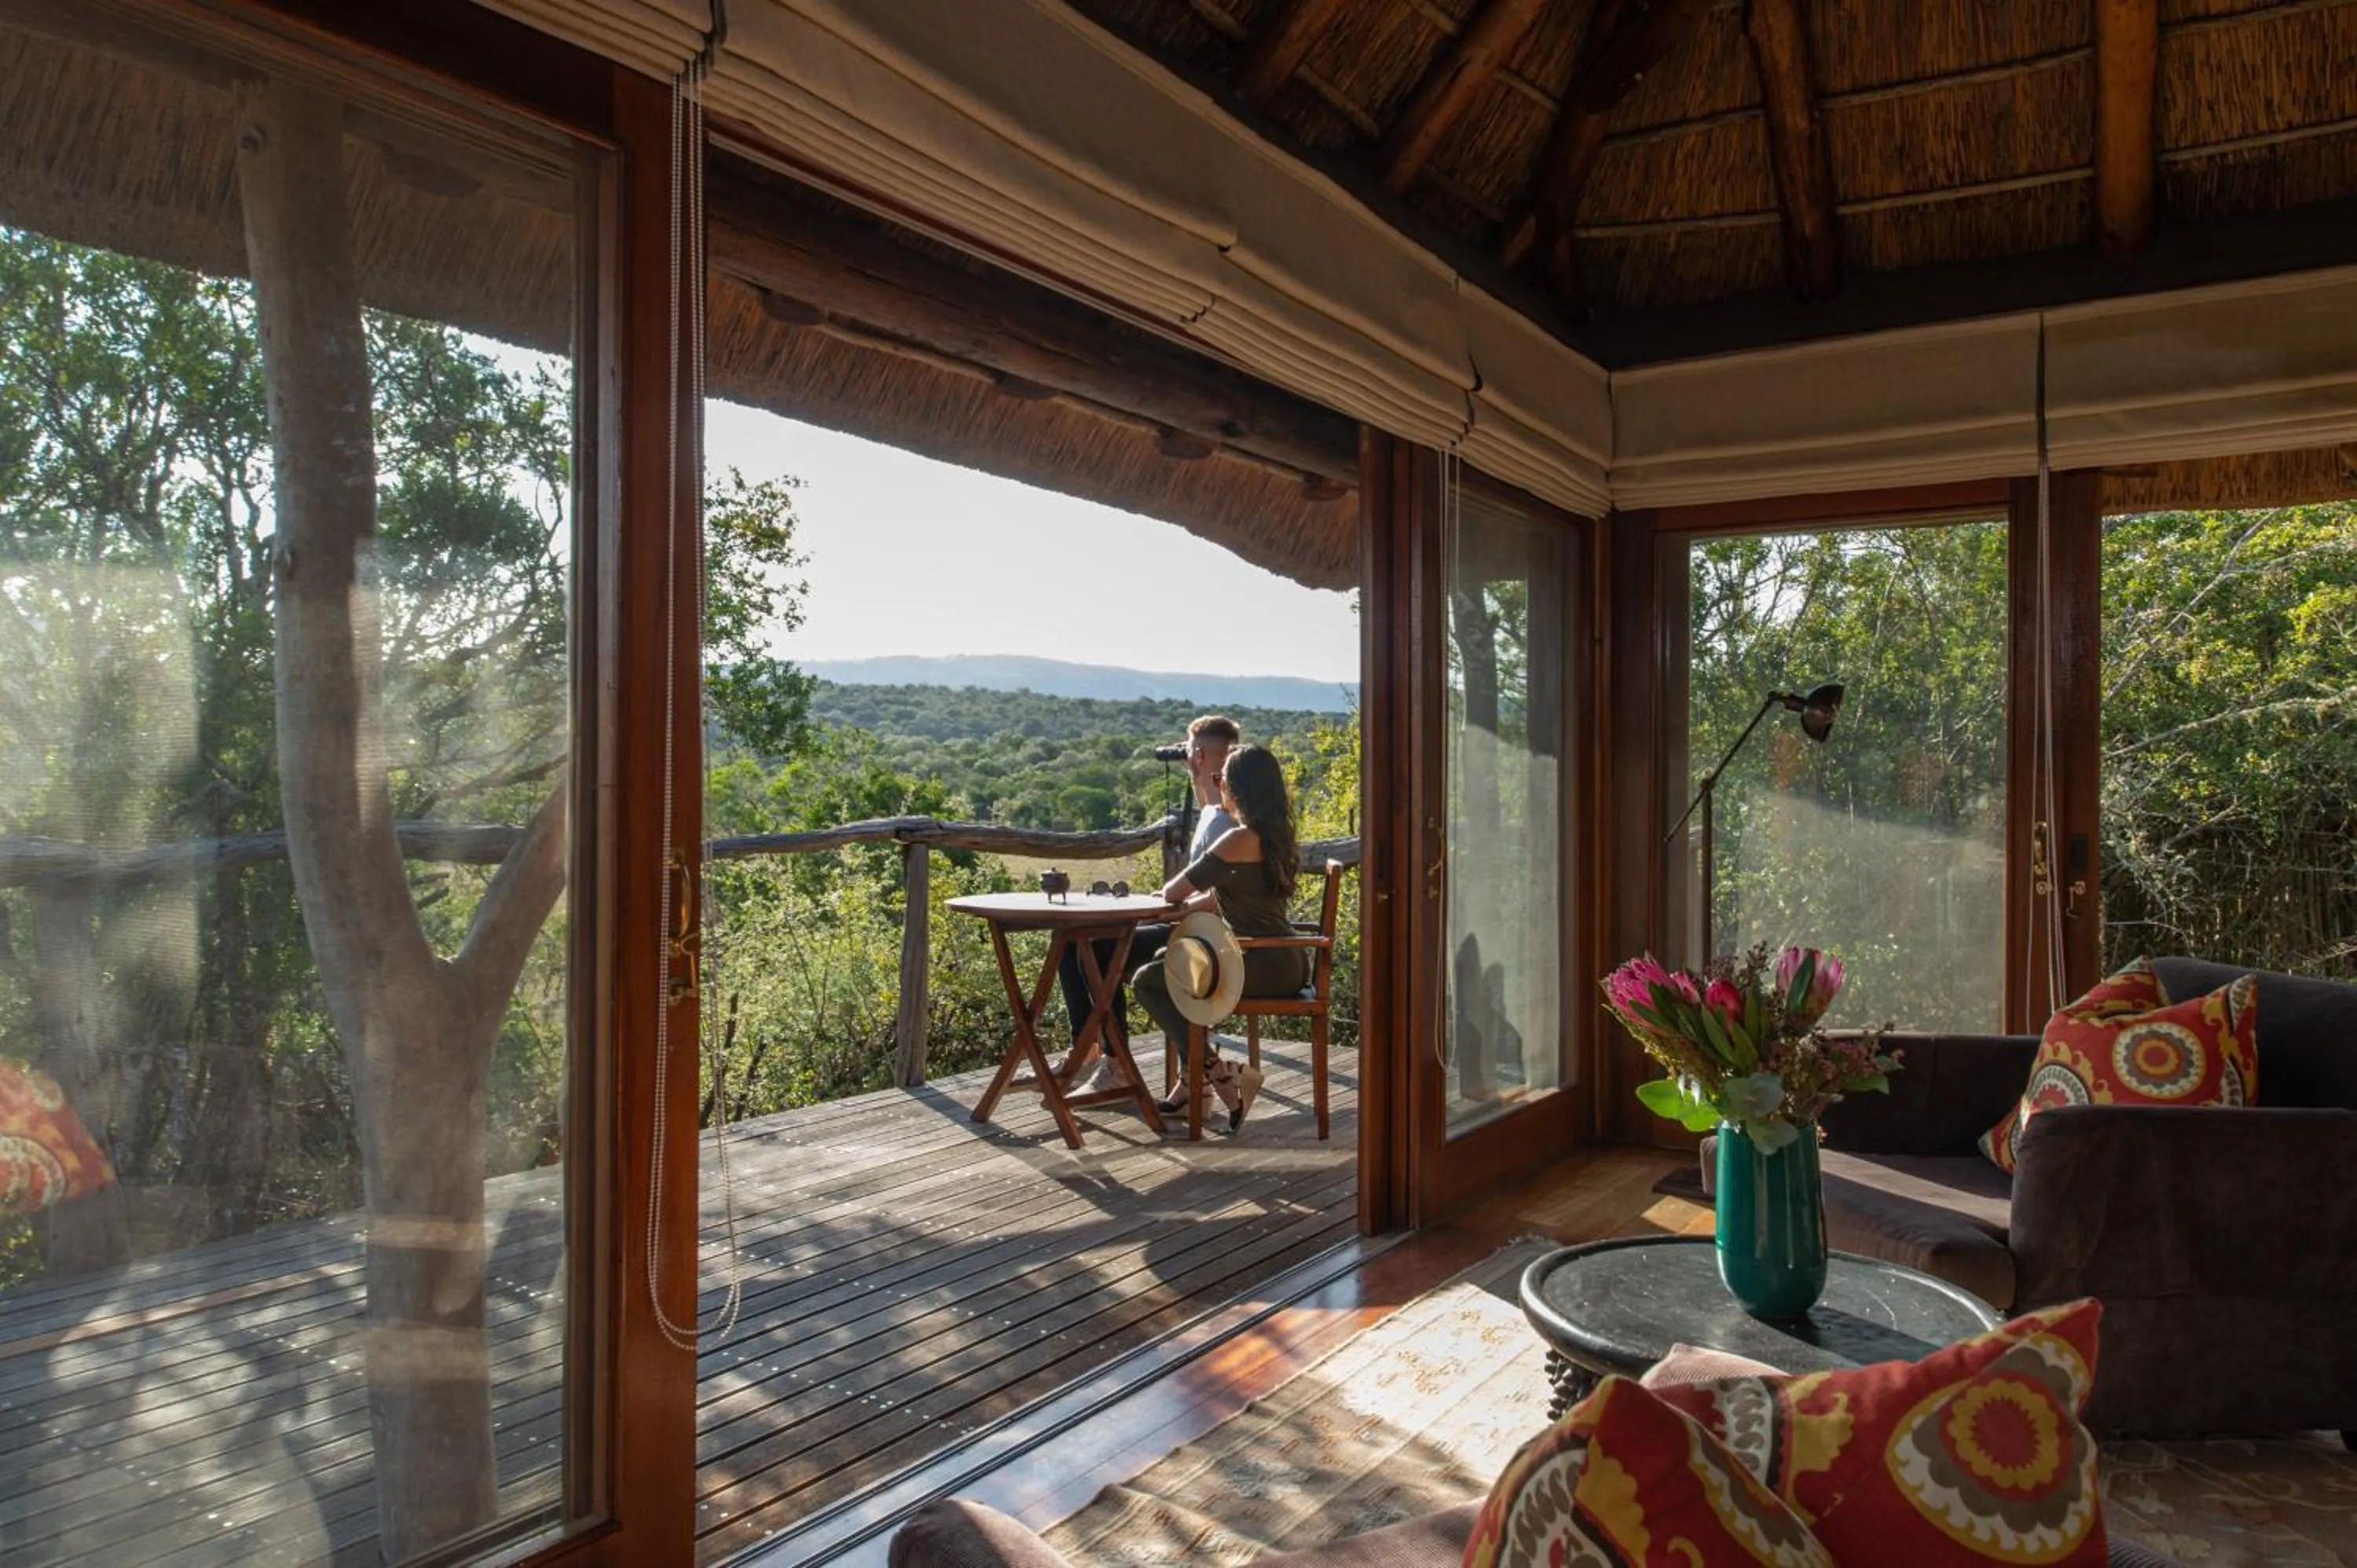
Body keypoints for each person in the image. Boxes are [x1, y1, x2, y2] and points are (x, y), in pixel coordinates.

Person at [1052, 713, 1239, 1086]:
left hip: (1211, 941)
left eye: (1189, 753)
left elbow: (1225, 899)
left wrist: (1174, 908)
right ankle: (1091, 1048)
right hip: (1196, 929)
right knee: (1072, 942)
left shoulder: (1227, 823)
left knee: (1094, 947)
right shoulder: (1214, 813)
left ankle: (1113, 1061)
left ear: (1199, 756)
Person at [1134, 743, 1311, 1132]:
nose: (1218, 787)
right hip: (1288, 958)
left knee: (1149, 980)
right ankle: (1193, 1083)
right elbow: (1224, 898)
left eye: (1221, 780)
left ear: (1236, 787)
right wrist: (1189, 909)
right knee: (1171, 961)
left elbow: (1172, 892)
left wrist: (1171, 904)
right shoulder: (1275, 837)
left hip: (1258, 960)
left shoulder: (1237, 839)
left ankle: (1217, 1073)